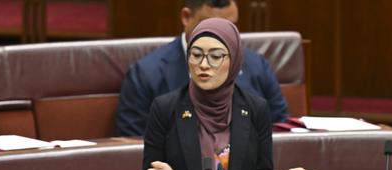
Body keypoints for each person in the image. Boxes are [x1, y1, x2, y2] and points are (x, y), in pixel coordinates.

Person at [138, 18, 317, 170]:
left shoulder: (255, 109)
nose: (204, 64)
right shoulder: (166, 108)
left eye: (215, 56)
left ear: (234, 60)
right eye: (196, 54)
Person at [116, 0, 289, 137]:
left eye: (230, 27)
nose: (221, 37)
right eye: (210, 27)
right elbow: (133, 140)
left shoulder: (257, 65)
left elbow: (280, 126)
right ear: (186, 17)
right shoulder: (146, 74)